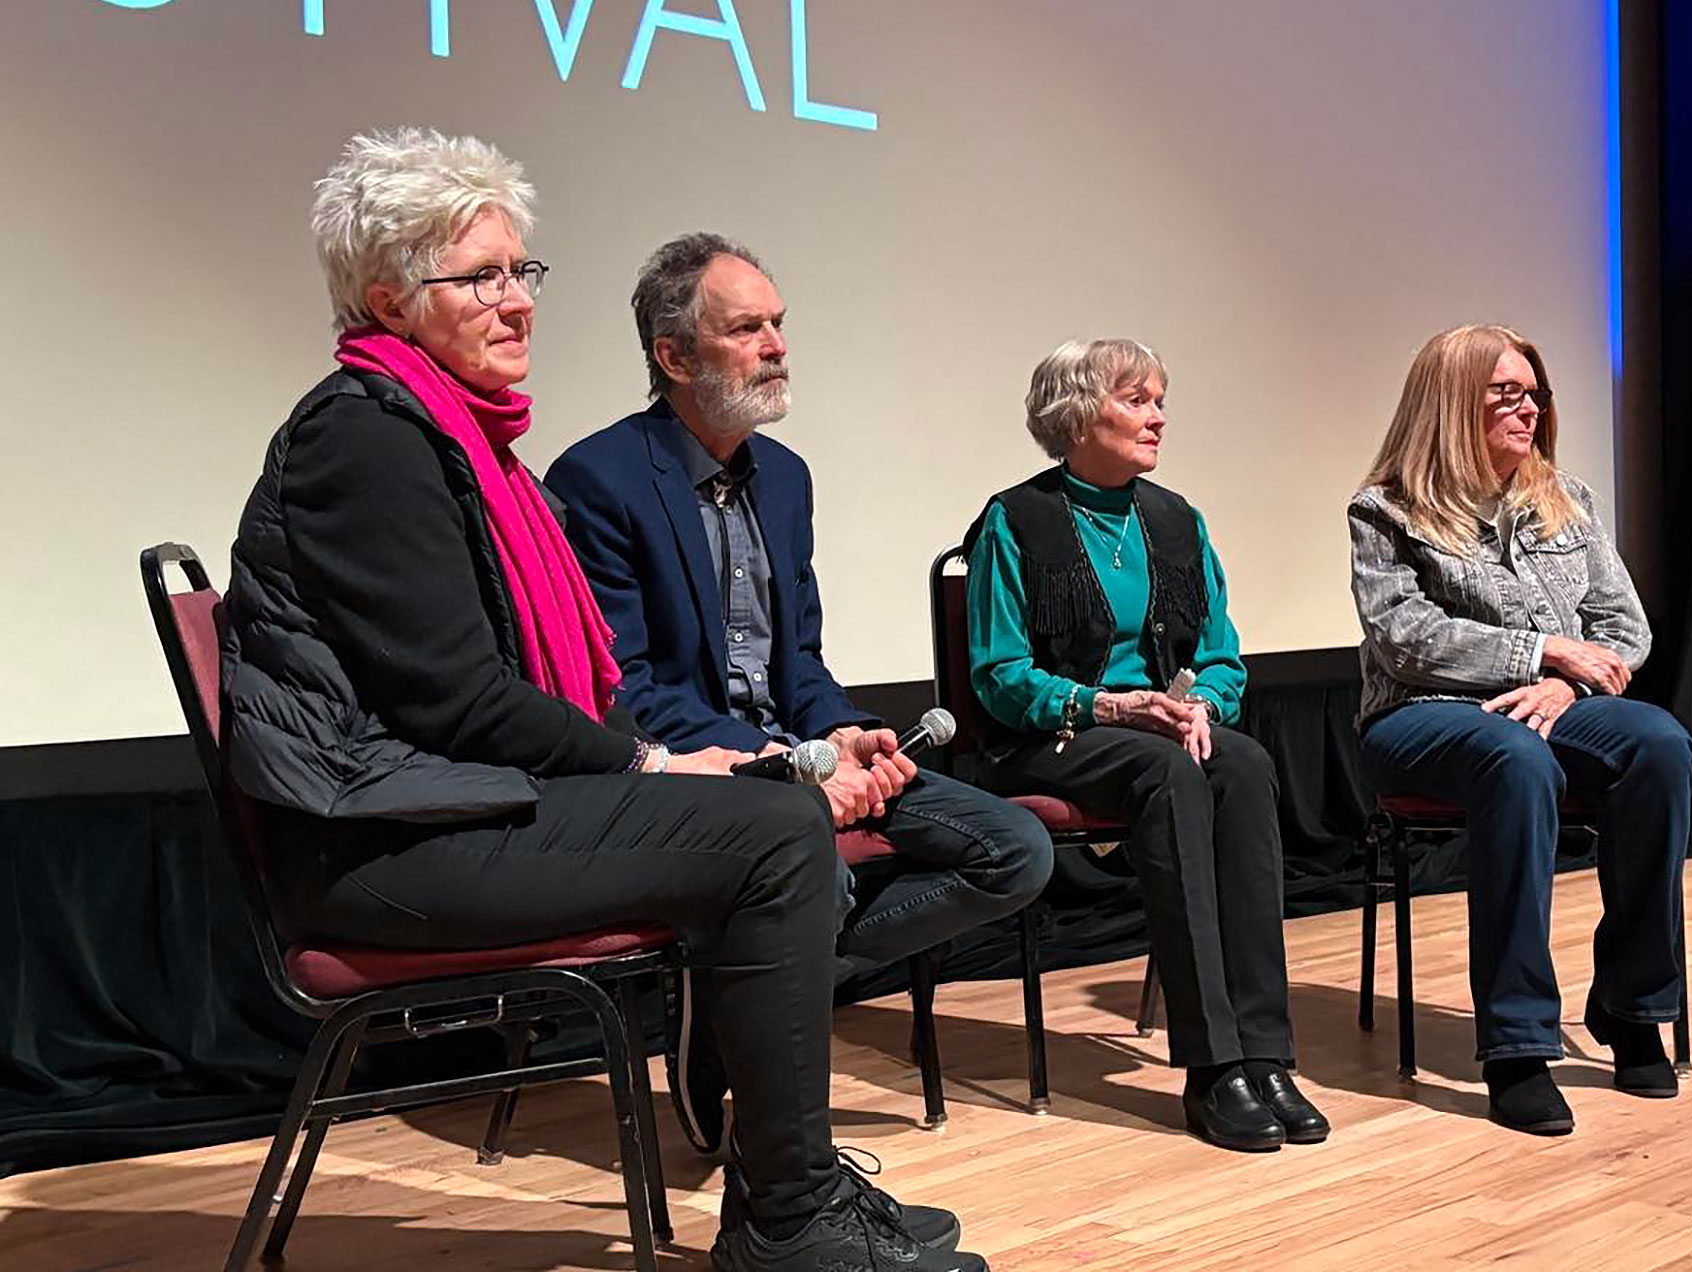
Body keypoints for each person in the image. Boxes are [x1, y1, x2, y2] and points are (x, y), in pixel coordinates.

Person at [220, 129, 986, 1272]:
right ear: (388, 296)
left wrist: (691, 767)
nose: (518, 303)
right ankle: (789, 1220)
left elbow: (503, 697)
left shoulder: (448, 435)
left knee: (772, 811)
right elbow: (457, 698)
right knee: (778, 834)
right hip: (377, 840)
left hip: (445, 803)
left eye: (520, 273)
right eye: (478, 276)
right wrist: (660, 768)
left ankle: (792, 1193)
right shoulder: (365, 437)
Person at [546, 232, 1054, 1151]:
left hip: (803, 752)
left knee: (1014, 849)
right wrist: (780, 764)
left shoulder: (786, 478)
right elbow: (624, 687)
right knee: (805, 861)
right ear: (674, 355)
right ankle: (777, 1098)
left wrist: (851, 733)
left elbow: (801, 664)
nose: (778, 344)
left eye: (779, 323)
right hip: (699, 772)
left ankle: (733, 983)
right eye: (748, 328)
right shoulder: (599, 477)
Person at [960, 338, 1328, 1153]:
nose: (1158, 415)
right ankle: (1211, 1067)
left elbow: (1224, 652)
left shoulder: (1176, 519)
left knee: (1245, 762)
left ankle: (1265, 1053)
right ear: (1078, 414)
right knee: (1165, 771)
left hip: (1162, 733)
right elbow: (998, 675)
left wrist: (1201, 705)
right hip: (1050, 737)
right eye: (1136, 398)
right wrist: (1105, 705)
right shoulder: (1013, 521)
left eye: (1160, 398)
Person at [1348, 323, 1692, 1136]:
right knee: (1515, 760)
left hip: (1557, 702)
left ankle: (1631, 1006)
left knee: (1658, 746)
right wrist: (1538, 650)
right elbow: (1407, 638)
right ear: (1451, 402)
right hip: (1420, 716)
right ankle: (1517, 1043)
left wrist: (1563, 682)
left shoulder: (1569, 500)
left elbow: (1624, 629)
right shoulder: (1386, 510)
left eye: (1533, 391)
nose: (1528, 407)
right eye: (1505, 392)